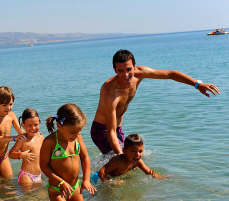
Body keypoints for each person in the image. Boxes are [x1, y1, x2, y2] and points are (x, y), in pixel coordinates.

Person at [91, 49, 220, 155]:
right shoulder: (110, 92)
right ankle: (100, 179)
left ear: (135, 65)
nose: (126, 75)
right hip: (103, 131)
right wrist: (123, 160)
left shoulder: (140, 73)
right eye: (120, 71)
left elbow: (170, 74)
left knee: (128, 160)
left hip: (117, 128)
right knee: (125, 163)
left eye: (129, 69)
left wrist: (197, 84)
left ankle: (99, 174)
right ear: (114, 70)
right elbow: (110, 132)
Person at [40, 104, 96, 201]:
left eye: (79, 132)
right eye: (72, 132)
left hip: (75, 187)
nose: (76, 135)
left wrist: (86, 180)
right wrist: (60, 182)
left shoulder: (77, 138)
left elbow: (85, 158)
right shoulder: (50, 142)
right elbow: (44, 166)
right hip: (57, 189)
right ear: (59, 126)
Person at [0, 86, 26, 182]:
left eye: (10, 104)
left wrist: (33, 133)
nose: (8, 108)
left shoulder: (12, 116)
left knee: (8, 182)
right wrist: (14, 138)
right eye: (4, 105)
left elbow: (21, 132)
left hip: (4, 156)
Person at [94, 134, 171, 184]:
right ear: (124, 151)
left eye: (140, 151)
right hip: (101, 177)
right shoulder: (118, 161)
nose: (137, 154)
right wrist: (112, 182)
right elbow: (101, 173)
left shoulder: (138, 162)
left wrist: (161, 178)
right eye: (133, 151)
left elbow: (149, 172)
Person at [9, 108, 44, 185]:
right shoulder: (23, 140)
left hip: (38, 175)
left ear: (39, 123)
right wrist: (21, 155)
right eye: (29, 125)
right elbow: (10, 154)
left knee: (42, 195)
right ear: (23, 125)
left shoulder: (41, 137)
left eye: (36, 125)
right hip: (26, 175)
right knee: (28, 196)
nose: (33, 128)